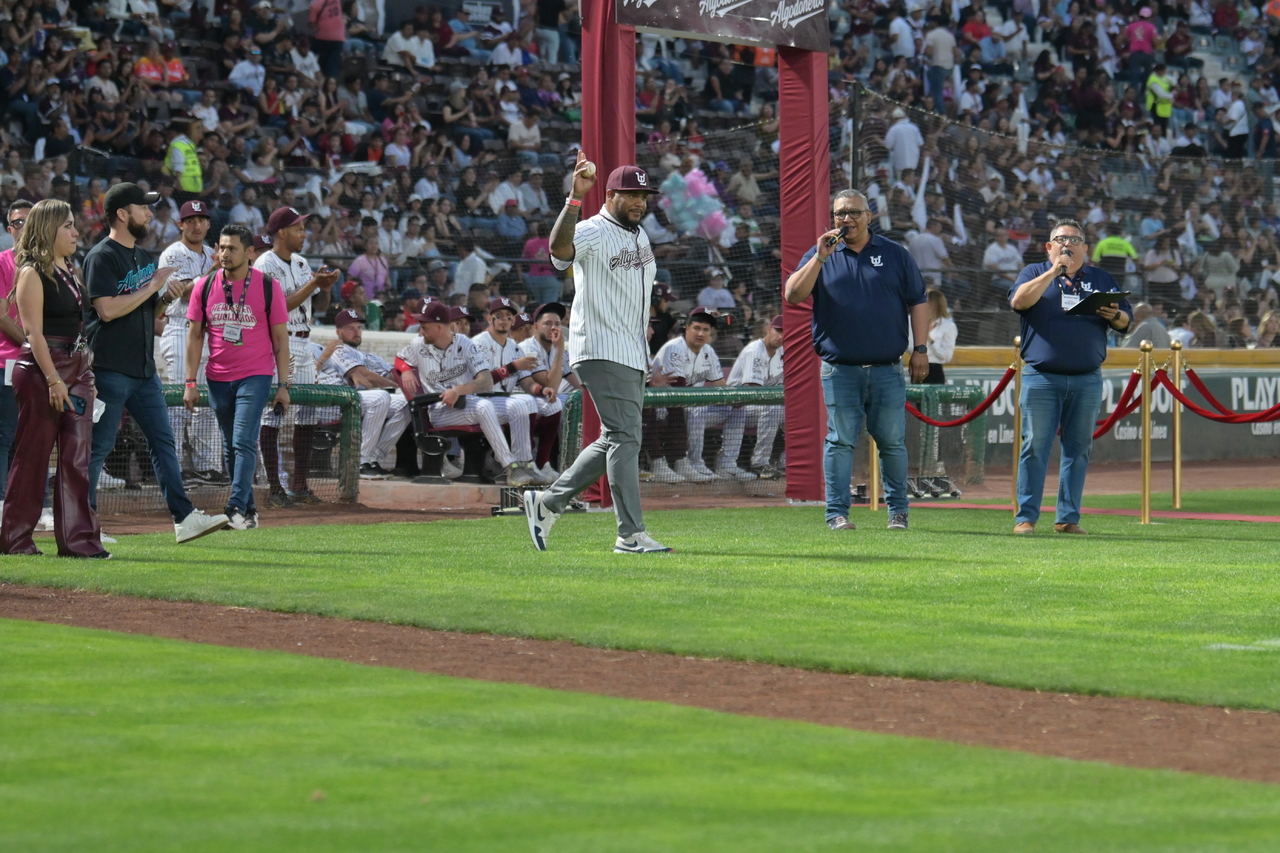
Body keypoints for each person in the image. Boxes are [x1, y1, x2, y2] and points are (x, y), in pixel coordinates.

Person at [522, 156, 671, 554]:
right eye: (631, 194)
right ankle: (630, 534)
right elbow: (558, 251)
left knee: (615, 437)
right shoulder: (592, 229)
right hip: (603, 348)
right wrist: (574, 198)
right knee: (625, 437)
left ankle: (548, 502)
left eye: (643, 195)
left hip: (632, 350)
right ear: (609, 195)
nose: (639, 201)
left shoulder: (640, 235)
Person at [83, 183, 229, 544]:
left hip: (143, 370)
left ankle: (184, 518)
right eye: (143, 208)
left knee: (163, 442)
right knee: (98, 448)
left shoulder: (143, 256)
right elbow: (107, 309)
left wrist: (165, 297)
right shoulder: (101, 256)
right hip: (109, 368)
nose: (150, 214)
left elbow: (151, 312)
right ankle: (83, 526)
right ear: (122, 214)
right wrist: (152, 288)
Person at [784, 189, 929, 532]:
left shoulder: (894, 254)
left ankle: (898, 512)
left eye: (853, 213)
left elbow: (918, 301)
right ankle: (837, 514)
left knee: (892, 442)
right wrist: (819, 258)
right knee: (840, 442)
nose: (846, 219)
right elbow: (793, 295)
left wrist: (921, 349)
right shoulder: (822, 252)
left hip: (887, 369)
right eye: (840, 214)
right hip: (840, 370)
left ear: (869, 216)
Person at [1008, 219, 1132, 535]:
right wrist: (1054, 272)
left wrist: (1115, 315)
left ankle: (1067, 518)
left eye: (1075, 240)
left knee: (1078, 450)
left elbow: (1125, 321)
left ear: (1085, 249)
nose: (1068, 244)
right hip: (1041, 377)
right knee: (1035, 447)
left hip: (1086, 378)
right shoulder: (1034, 272)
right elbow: (1018, 302)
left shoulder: (1101, 278)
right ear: (1049, 246)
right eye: (1061, 239)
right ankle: (1026, 517)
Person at [0, 200, 106, 557]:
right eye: (68, 226)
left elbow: (80, 325)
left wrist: (85, 369)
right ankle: (15, 539)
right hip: (41, 372)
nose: (76, 232)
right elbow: (33, 334)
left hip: (77, 370)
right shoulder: (31, 272)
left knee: (77, 456)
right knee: (33, 456)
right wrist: (53, 379)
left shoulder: (71, 269)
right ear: (49, 230)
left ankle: (80, 543)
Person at [183, 225, 290, 530]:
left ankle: (234, 507)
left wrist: (283, 385)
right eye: (221, 248)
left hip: (256, 375)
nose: (224, 254)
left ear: (249, 252)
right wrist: (190, 382)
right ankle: (250, 511)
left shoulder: (268, 286)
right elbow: (194, 336)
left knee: (243, 441)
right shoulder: (204, 286)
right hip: (217, 377)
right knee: (231, 446)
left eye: (232, 248)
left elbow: (280, 339)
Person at [392, 300, 536, 486]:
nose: (421, 330)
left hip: (465, 403)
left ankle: (525, 465)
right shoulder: (418, 344)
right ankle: (511, 467)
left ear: (439, 327)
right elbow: (399, 359)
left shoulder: (465, 343)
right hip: (438, 409)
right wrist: (405, 370)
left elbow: (485, 380)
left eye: (425, 326)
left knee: (519, 405)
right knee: (483, 407)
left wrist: (458, 390)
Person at [254, 206, 340, 507]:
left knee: (308, 414)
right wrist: (314, 283)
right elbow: (278, 306)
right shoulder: (265, 263)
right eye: (298, 229)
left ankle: (300, 485)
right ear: (281, 232)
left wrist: (325, 288)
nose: (304, 233)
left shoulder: (302, 262)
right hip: (281, 342)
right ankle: (274, 487)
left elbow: (319, 307)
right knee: (273, 414)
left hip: (304, 342)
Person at [158, 200, 225, 484]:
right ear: (180, 224)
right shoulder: (173, 253)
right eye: (190, 220)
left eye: (201, 220)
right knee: (178, 404)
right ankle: (172, 470)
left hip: (210, 333)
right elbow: (186, 293)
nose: (197, 225)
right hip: (180, 329)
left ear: (208, 224)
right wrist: (215, 270)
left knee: (207, 404)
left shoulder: (213, 253)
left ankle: (207, 467)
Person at [313, 309, 411, 480]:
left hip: (355, 401)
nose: (356, 332)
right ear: (339, 332)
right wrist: (395, 386)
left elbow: (392, 373)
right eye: (350, 328)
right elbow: (364, 375)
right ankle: (359, 461)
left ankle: (373, 456)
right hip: (336, 403)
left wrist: (407, 382)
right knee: (380, 398)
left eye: (359, 327)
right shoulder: (339, 349)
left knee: (408, 403)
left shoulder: (367, 356)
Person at [469, 296, 547, 484]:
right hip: (478, 399)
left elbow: (526, 381)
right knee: (519, 404)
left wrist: (541, 390)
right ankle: (514, 467)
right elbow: (482, 382)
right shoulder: (477, 344)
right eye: (499, 316)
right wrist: (513, 366)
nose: (503, 320)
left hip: (501, 400)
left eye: (508, 316)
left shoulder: (515, 348)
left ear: (513, 321)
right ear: (490, 319)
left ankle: (526, 464)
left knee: (531, 401)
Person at [519, 301, 580, 481]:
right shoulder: (528, 348)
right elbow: (550, 384)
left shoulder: (555, 348)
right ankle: (549, 462)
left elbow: (573, 379)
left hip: (543, 398)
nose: (553, 328)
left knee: (580, 401)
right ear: (536, 327)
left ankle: (572, 463)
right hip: (523, 398)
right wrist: (559, 349)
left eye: (557, 324)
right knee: (557, 404)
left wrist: (589, 395)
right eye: (547, 323)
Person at [0, 200, 31, 524]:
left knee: (35, 437)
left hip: (40, 362)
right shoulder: (2, 262)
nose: (25, 226)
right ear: (10, 229)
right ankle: (1, 505)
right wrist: (34, 346)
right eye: (19, 222)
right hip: (7, 360)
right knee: (5, 435)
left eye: (30, 220)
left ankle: (39, 505)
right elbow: (1, 316)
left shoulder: (50, 264)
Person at [727, 314, 784, 479]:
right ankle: (760, 463)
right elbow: (755, 391)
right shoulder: (755, 351)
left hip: (759, 406)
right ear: (769, 330)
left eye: (785, 333)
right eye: (778, 331)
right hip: (737, 406)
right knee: (773, 408)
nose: (781, 336)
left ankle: (788, 461)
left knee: (801, 411)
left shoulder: (783, 352)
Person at [924, 290, 956, 384]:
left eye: (927, 304)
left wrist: (930, 340)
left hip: (934, 370)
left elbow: (947, 356)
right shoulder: (918, 323)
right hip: (917, 368)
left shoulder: (948, 326)